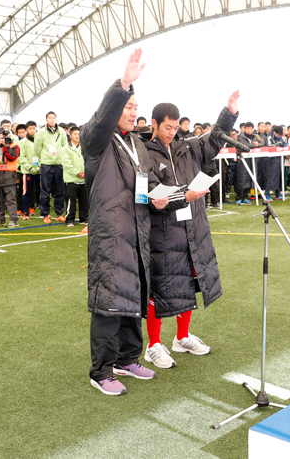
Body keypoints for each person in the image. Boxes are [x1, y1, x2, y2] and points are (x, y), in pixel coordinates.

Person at [80, 48, 169, 396]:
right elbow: (100, 121)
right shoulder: (97, 141)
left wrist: (158, 196)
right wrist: (123, 84)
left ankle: (127, 358)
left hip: (137, 230)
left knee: (133, 294)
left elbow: (144, 182)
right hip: (110, 233)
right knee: (108, 300)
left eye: (136, 107)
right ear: (115, 110)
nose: (134, 113)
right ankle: (101, 371)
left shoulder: (136, 144)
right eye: (128, 107)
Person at [141, 95, 237, 369]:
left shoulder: (186, 148)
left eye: (175, 127)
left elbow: (214, 138)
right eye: (167, 127)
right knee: (158, 288)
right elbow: (150, 192)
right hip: (162, 231)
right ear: (154, 124)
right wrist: (187, 195)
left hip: (192, 228)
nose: (172, 133)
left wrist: (229, 114)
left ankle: (181, 337)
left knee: (188, 281)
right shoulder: (145, 153)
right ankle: (153, 345)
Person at [34, 111, 68, 223]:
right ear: (46, 120)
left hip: (59, 164)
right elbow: (37, 148)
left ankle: (59, 213)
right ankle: (45, 214)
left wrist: (60, 158)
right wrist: (45, 157)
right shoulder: (41, 133)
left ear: (56, 120)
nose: (52, 120)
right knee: (45, 190)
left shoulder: (62, 131)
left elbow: (65, 146)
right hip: (46, 164)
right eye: (50, 118)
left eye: (54, 118)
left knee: (59, 190)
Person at [0, 128, 21, 228]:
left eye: (4, 137)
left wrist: (6, 146)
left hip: (9, 175)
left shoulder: (14, 146)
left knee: (10, 200)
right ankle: (0, 218)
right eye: (0, 137)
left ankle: (14, 220)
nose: (2, 139)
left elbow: (12, 157)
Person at [59, 126, 88, 227]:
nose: (77, 136)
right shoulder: (65, 149)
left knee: (84, 201)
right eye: (75, 134)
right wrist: (77, 173)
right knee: (71, 201)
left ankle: (84, 218)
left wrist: (85, 172)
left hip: (84, 179)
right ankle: (70, 219)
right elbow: (66, 164)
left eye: (79, 134)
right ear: (70, 135)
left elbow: (88, 161)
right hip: (71, 179)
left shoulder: (84, 147)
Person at [234, 122, 260, 205]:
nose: (249, 130)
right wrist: (254, 145)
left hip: (251, 160)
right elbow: (244, 146)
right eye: (247, 128)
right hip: (242, 161)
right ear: (244, 129)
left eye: (250, 128)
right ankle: (239, 197)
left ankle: (245, 197)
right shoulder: (240, 137)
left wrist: (258, 144)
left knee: (249, 178)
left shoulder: (255, 136)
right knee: (241, 179)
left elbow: (263, 143)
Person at [263, 124, 286, 201]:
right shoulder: (269, 136)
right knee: (270, 177)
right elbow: (270, 146)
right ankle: (267, 194)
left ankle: (278, 194)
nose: (279, 136)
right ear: (274, 132)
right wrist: (279, 144)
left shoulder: (281, 137)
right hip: (270, 160)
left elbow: (284, 144)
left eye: (280, 135)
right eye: (278, 134)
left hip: (279, 159)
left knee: (279, 176)